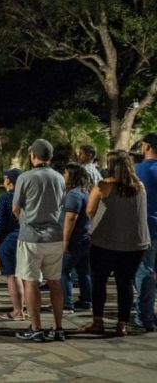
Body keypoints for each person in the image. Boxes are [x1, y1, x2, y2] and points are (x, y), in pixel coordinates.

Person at [79, 150, 150, 337]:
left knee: (99, 282)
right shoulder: (140, 187)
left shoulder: (103, 185)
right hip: (135, 245)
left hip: (105, 243)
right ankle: (122, 324)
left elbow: (89, 210)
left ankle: (98, 321)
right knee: (125, 284)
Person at [12, 139, 66, 342]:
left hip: (31, 237)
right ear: (50, 157)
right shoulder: (59, 178)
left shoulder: (25, 178)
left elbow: (16, 209)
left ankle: (36, 327)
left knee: (31, 282)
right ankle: (59, 327)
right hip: (54, 236)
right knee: (55, 282)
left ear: (32, 156)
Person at [0, 168, 25, 320]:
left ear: (9, 181)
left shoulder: (4, 198)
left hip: (8, 241)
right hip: (26, 238)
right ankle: (27, 309)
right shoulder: (27, 197)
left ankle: (18, 311)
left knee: (12, 276)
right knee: (25, 276)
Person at [60, 162, 92, 313]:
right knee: (83, 271)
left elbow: (71, 218)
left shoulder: (73, 194)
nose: (64, 176)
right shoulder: (85, 192)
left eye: (66, 173)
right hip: (85, 238)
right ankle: (86, 300)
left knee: (63, 271)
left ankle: (67, 304)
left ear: (71, 175)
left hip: (74, 239)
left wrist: (65, 240)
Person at [134, 133, 157, 332]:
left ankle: (145, 315)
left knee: (144, 271)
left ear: (146, 146)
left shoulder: (137, 170)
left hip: (145, 227)